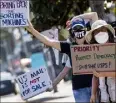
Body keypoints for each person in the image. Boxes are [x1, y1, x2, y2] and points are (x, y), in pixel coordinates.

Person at [26, 12, 98, 102]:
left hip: (96, 87)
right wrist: (33, 30)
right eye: (76, 28)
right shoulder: (69, 47)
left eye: (80, 27)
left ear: (85, 29)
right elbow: (49, 41)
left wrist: (76, 18)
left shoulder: (93, 43)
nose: (79, 30)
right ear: (72, 32)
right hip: (80, 89)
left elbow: (94, 15)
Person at [85, 20, 116, 103]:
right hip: (103, 98)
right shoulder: (95, 53)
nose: (100, 33)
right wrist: (93, 94)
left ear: (108, 32)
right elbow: (95, 76)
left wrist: (103, 74)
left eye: (103, 29)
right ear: (94, 36)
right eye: (97, 31)